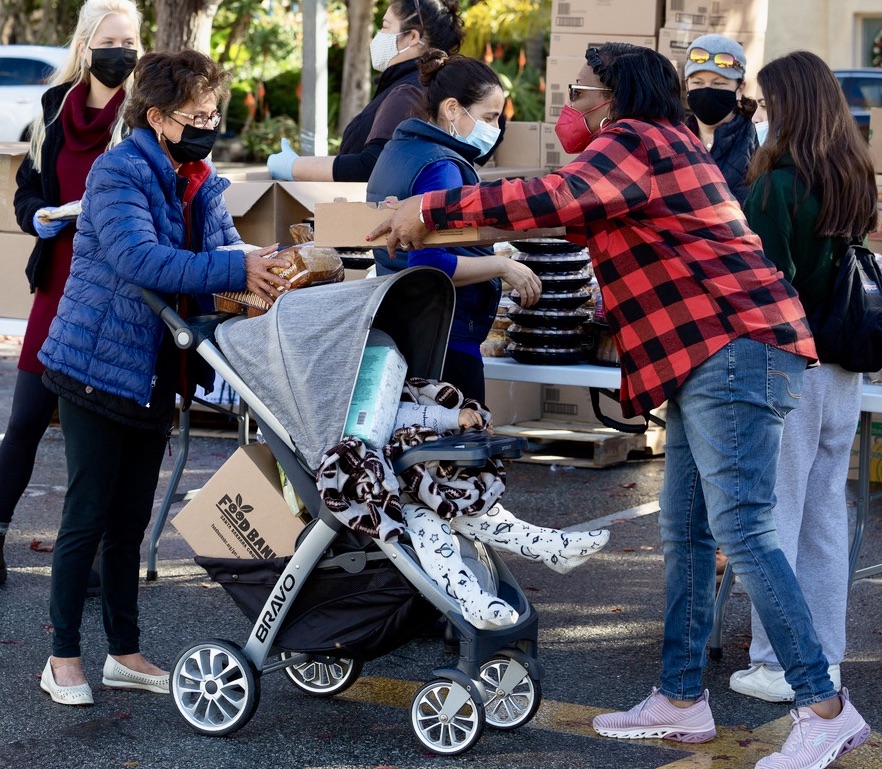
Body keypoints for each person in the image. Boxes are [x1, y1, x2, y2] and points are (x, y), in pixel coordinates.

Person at [367, 43, 872, 769]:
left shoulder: (637, 141)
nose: (570, 107)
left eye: (579, 91)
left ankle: (823, 707)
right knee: (688, 530)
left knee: (743, 530)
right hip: (716, 356)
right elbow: (557, 209)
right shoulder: (660, 148)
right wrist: (436, 219)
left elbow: (553, 198)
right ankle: (679, 698)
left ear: (613, 95)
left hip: (735, 351)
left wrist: (427, 205)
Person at [35, 49, 292, 707]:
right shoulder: (117, 172)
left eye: (212, 112)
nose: (209, 123)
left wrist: (267, 275)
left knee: (129, 520)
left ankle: (123, 653)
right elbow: (141, 259)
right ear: (156, 117)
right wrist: (239, 272)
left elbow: (220, 253)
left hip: (154, 370)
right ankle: (62, 656)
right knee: (86, 517)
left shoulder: (200, 178)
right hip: (93, 366)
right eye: (195, 114)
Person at [730, 50, 878, 706]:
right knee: (822, 514)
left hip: (786, 361)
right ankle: (823, 657)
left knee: (774, 515)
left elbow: (764, 286)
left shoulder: (775, 185)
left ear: (786, 105)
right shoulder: (853, 171)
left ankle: (776, 661)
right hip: (844, 365)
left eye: (765, 103)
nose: (758, 115)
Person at [0, 0, 142, 586]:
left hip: (114, 288)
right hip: (57, 277)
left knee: (98, 429)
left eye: (130, 41)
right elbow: (27, 186)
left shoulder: (143, 113)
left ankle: (84, 562)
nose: (122, 52)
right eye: (110, 41)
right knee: (27, 418)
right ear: (85, 47)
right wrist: (39, 217)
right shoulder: (54, 109)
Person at [319, 374, 610, 631]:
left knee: (480, 514)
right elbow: (397, 418)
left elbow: (402, 410)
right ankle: (472, 599)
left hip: (418, 489)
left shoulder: (376, 393)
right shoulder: (345, 412)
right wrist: (450, 418)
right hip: (390, 505)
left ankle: (551, 546)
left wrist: (458, 420)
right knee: (433, 529)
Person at [366, 50, 541, 401]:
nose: (494, 130)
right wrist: (503, 266)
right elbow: (429, 263)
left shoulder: (399, 151)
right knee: (462, 443)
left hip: (399, 326)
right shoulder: (441, 167)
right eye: (489, 118)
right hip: (446, 334)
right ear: (451, 109)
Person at [266, 0, 466, 182]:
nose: (379, 35)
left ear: (413, 36)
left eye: (386, 26)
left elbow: (373, 166)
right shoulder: (410, 85)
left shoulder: (409, 91)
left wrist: (293, 166)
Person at [682, 33, 758, 203]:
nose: (707, 90)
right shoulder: (675, 140)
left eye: (719, 84)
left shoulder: (755, 139)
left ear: (740, 88)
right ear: (686, 85)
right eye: (698, 83)